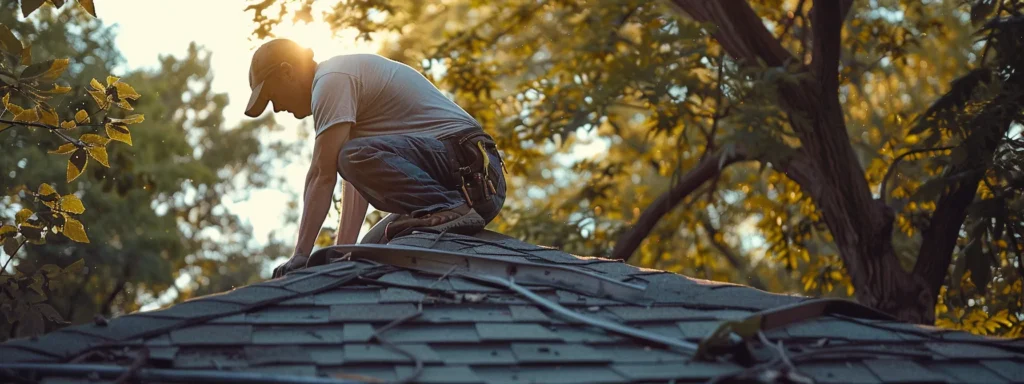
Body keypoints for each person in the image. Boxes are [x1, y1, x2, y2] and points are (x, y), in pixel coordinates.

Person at [243, 39, 506, 278]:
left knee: (351, 156)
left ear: (287, 72)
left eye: (271, 97)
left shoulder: (331, 80)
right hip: (468, 181)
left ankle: (449, 208)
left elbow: (321, 175)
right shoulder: (344, 96)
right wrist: (342, 254)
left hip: (472, 169)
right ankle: (446, 207)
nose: (277, 108)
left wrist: (299, 255)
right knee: (367, 253)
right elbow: (358, 183)